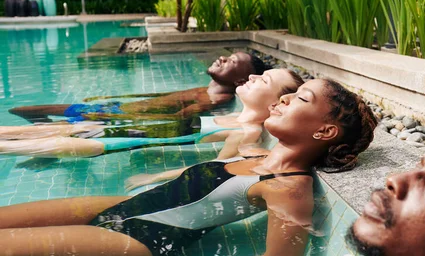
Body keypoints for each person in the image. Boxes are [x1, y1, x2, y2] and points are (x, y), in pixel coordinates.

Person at [0, 79, 378, 256]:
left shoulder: (288, 188)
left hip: (139, 243)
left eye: (301, 98)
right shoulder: (252, 153)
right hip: (124, 205)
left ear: (324, 131)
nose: (284, 97)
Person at [0, 69, 304, 160]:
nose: (252, 76)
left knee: (7, 147)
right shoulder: (233, 117)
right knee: (13, 133)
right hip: (106, 130)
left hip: (100, 144)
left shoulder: (247, 132)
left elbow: (216, 168)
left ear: (277, 102)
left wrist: (159, 175)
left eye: (263, 80)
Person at [8, 52, 267, 123]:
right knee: (30, 113)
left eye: (232, 61)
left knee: (23, 109)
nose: (222, 58)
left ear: (240, 81)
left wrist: (110, 118)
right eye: (227, 55)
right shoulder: (210, 88)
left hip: (117, 116)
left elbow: (176, 119)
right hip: (119, 110)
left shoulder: (217, 100)